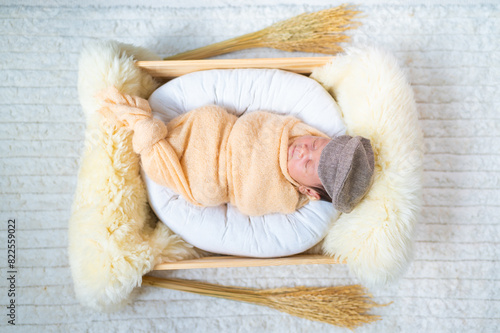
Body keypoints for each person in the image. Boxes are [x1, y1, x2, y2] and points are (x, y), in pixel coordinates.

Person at [98, 86, 374, 216]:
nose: (303, 151)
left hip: (220, 177)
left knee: (209, 188)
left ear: (308, 191)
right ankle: (148, 130)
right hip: (222, 134)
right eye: (314, 144)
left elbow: (250, 201)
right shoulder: (290, 129)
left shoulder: (286, 197)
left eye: (307, 164)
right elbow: (256, 125)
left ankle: (147, 137)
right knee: (211, 117)